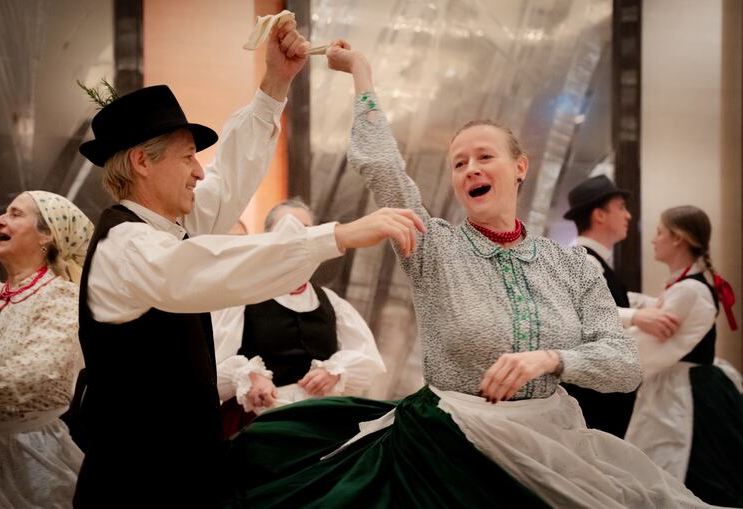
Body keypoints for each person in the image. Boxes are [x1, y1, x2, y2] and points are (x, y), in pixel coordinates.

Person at [218, 41, 724, 508]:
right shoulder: (434, 247)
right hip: (450, 442)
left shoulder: (570, 264)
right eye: (459, 164)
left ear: (520, 167)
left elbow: (623, 365)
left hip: (553, 441)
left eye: (485, 157)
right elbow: (382, 167)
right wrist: (362, 75)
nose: (470, 169)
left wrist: (552, 359)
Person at [73, 22, 424, 508]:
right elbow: (211, 265)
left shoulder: (171, 225)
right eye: (188, 157)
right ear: (141, 162)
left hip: (189, 472)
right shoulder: (126, 246)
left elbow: (229, 177)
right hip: (137, 484)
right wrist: (337, 235)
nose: (199, 171)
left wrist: (276, 83)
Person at [0, 191, 93, 508]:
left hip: (31, 457)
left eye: (15, 214)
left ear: (47, 235)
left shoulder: (61, 297)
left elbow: (36, 374)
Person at [213, 199, 387, 437]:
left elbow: (367, 359)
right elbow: (210, 369)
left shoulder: (332, 303)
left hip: (317, 427)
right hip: (258, 427)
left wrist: (335, 373)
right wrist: (247, 377)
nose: (298, 237)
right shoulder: (242, 297)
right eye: (288, 229)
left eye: (306, 230)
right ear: (267, 238)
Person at [624, 205, 743, 507]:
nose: (654, 240)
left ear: (678, 238)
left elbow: (645, 348)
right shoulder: (688, 286)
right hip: (695, 385)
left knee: (685, 477)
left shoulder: (689, 290)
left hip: (685, 395)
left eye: (659, 232)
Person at [562, 175, 679, 437]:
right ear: (599, 215)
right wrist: (637, 317)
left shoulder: (596, 261)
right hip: (594, 394)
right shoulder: (582, 260)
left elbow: (613, 297)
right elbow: (582, 312)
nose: (628, 215)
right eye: (621, 208)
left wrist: (652, 303)